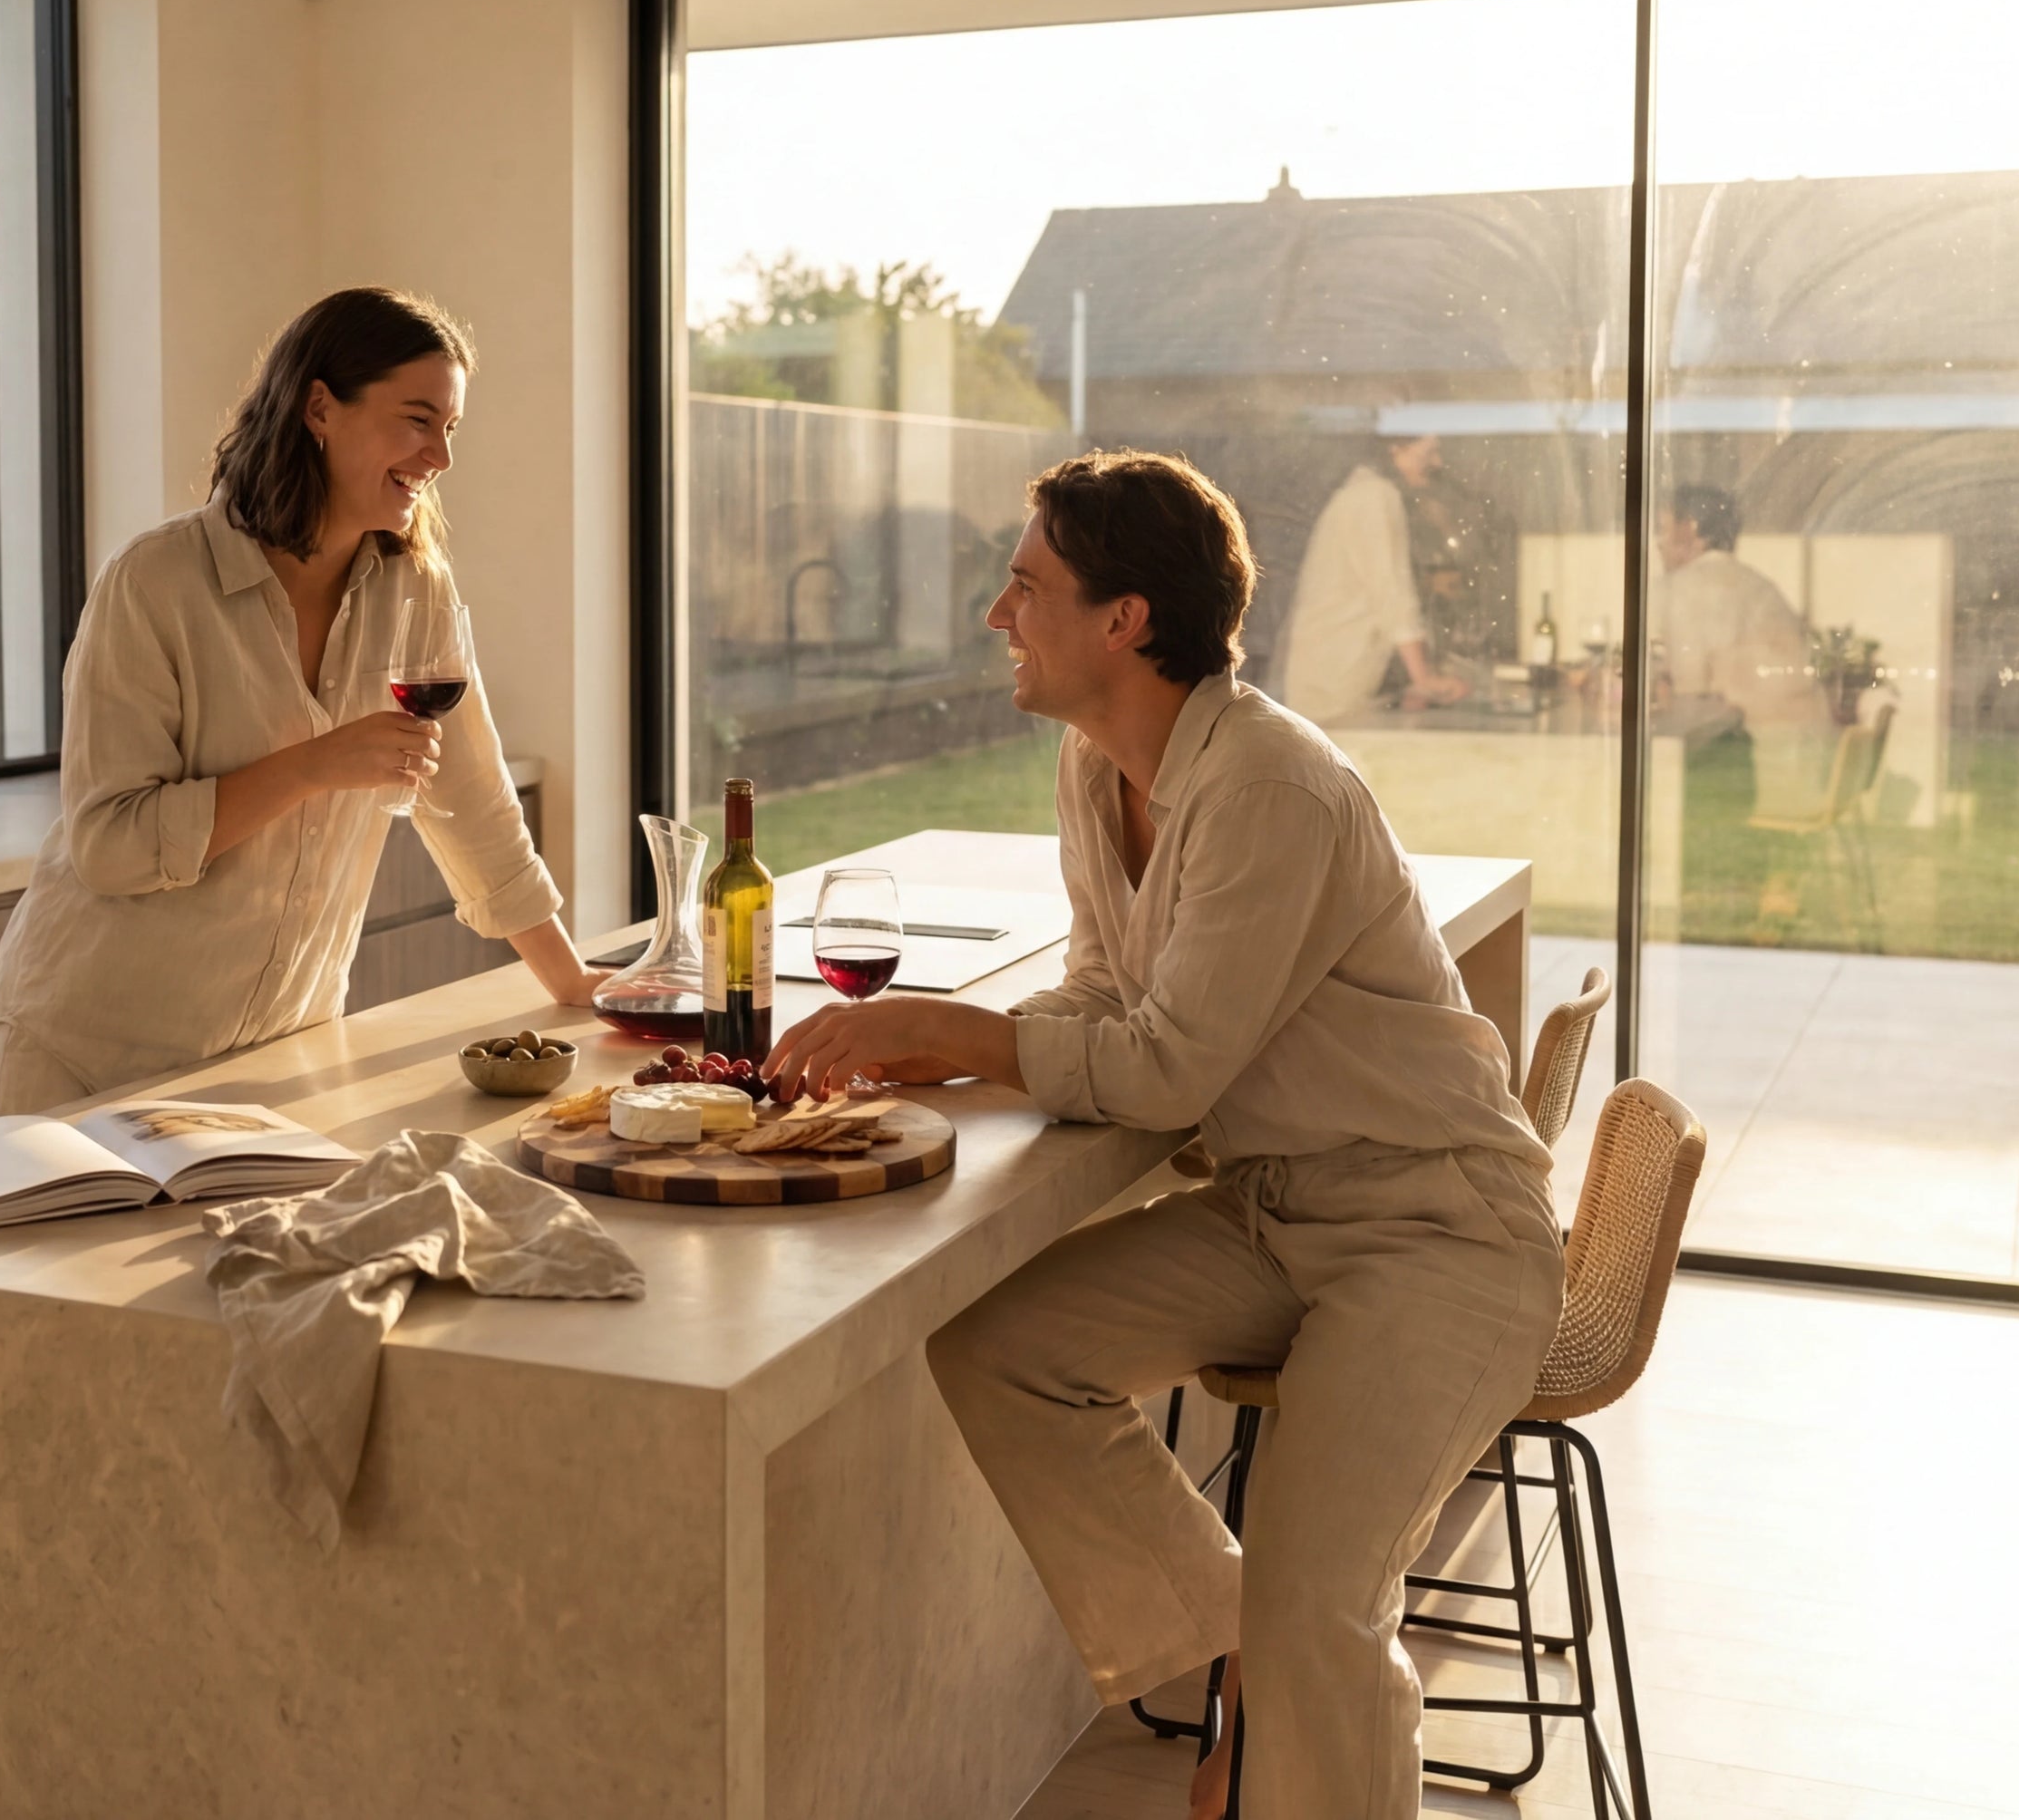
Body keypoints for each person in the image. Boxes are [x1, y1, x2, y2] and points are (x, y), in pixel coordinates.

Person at [764, 450, 1561, 1820]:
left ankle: (1287, 1665)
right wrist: (944, 1054)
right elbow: (1103, 987)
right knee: (1003, 1343)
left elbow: (1173, 1065)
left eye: (1025, 586)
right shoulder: (1098, 767)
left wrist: (966, 1033)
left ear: (1125, 619)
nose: (997, 616)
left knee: (1327, 1616)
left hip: (1439, 1230)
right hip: (1276, 1210)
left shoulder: (1269, 787)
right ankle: (1244, 1637)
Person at [0, 287, 597, 1115]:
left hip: (269, 1073)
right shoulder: (155, 582)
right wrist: (316, 764)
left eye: (450, 428)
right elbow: (110, 845)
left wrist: (577, 985)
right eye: (417, 420)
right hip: (83, 1067)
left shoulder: (417, 590)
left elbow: (476, 805)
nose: (440, 457)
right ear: (319, 409)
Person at [1654, 482, 1830, 824]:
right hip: (1807, 761)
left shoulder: (1686, 586)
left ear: (1688, 530)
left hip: (1763, 773)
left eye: (1662, 529)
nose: (1658, 543)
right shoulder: (1754, 583)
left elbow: (1691, 693)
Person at [1272, 434, 1466, 724]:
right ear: (1396, 449)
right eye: (1430, 452)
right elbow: (1392, 594)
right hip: (1333, 684)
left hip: (1334, 674)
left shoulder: (1367, 493)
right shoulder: (1373, 497)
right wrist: (1424, 677)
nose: (1438, 462)